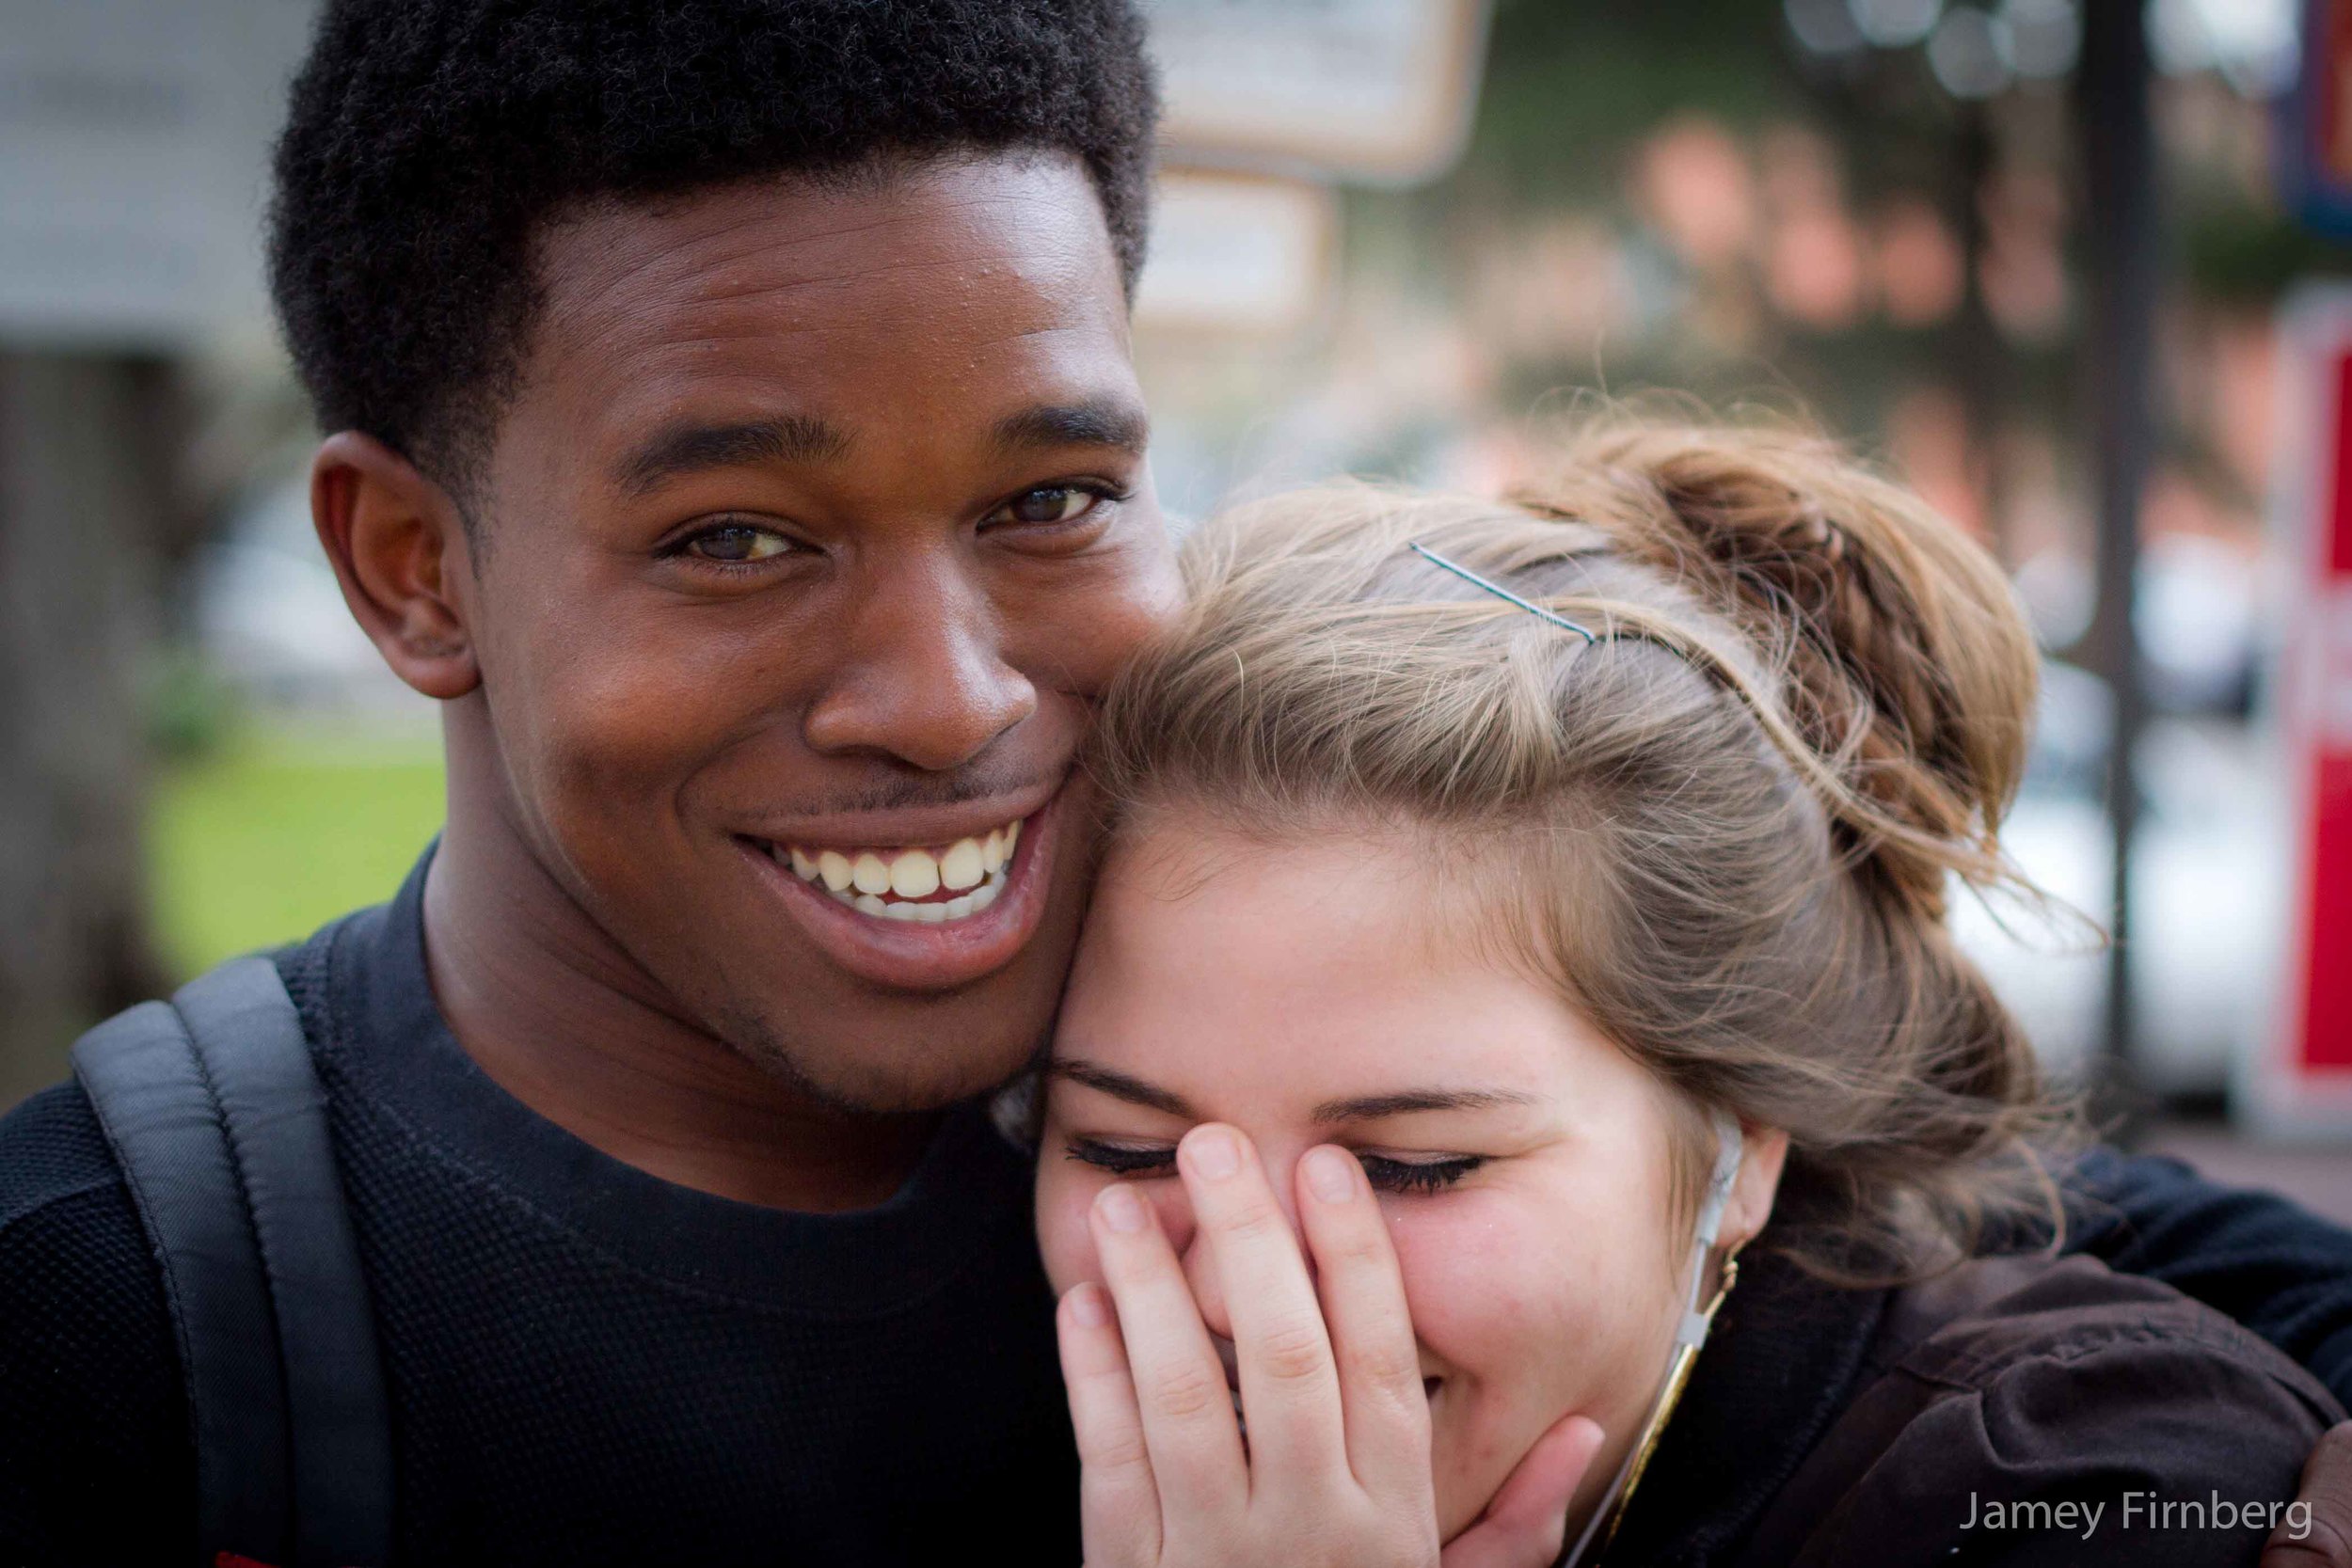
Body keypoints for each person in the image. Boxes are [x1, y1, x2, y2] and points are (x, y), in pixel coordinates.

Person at [0, 1, 2343, 1562]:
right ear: (415, 569)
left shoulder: (1144, 972)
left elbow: (1988, 1235)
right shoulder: (116, 1328)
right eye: (733, 537)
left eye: (1044, 503)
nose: (944, 696)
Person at [1032, 420, 2352, 1566]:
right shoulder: (970, 1413)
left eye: (1413, 1166)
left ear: (1744, 1149)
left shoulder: (2074, 1494)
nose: (1240, 1294)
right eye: (1124, 1146)